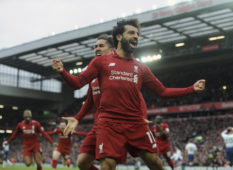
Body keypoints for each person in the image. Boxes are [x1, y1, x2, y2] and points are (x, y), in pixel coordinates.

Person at [52, 18, 206, 170]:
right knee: (107, 164)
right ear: (119, 37)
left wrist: (191, 88)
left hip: (136, 123)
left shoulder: (141, 68)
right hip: (109, 123)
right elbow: (77, 83)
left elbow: (163, 91)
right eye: (131, 33)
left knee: (156, 163)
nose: (136, 36)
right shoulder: (101, 62)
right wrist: (62, 72)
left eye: (137, 34)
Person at [62, 34, 114, 170]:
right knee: (82, 163)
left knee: (106, 164)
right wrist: (77, 118)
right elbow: (89, 102)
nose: (97, 48)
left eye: (101, 46)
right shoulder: (94, 76)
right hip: (98, 124)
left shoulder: (117, 70)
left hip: (114, 124)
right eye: (95, 46)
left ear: (111, 49)